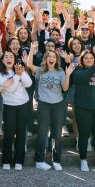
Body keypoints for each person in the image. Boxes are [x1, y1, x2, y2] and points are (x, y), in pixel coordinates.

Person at [26, 41, 71, 171]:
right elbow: (29, 65)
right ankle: (39, 160)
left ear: (56, 60)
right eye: (49, 56)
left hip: (58, 105)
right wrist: (31, 50)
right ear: (45, 59)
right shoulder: (40, 71)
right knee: (42, 132)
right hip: (44, 104)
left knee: (57, 134)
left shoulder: (61, 72)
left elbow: (65, 87)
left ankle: (56, 160)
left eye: (53, 57)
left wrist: (68, 75)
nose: (51, 58)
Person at [0, 50, 32, 170]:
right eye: (6, 57)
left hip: (23, 105)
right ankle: (6, 161)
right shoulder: (1, 74)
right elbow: (9, 90)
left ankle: (19, 161)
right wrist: (17, 76)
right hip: (9, 106)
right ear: (3, 60)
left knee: (21, 133)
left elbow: (29, 84)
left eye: (11, 56)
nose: (9, 58)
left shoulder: (19, 69)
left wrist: (21, 74)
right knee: (9, 134)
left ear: (14, 59)